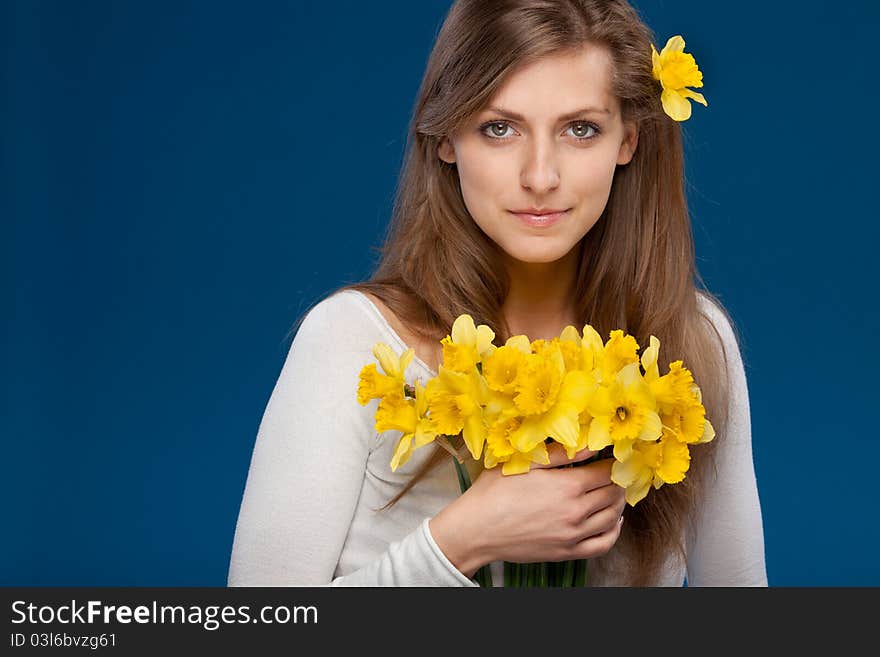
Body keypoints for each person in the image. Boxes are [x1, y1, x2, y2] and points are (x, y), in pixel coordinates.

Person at [227, 0, 767, 587]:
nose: (540, 177)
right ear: (446, 138)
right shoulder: (351, 340)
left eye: (579, 129)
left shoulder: (690, 342)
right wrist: (463, 539)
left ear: (627, 142)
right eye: (499, 128)